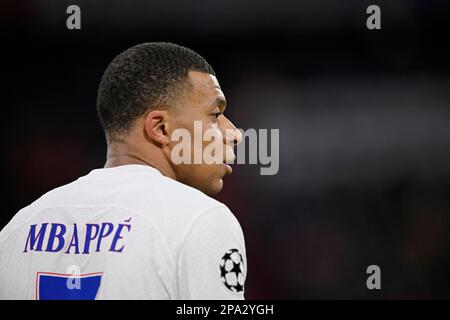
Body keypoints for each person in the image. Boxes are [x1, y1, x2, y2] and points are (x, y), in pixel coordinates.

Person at [0, 42, 246, 300]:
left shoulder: (18, 229)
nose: (234, 133)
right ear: (161, 128)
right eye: (215, 114)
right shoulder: (199, 220)